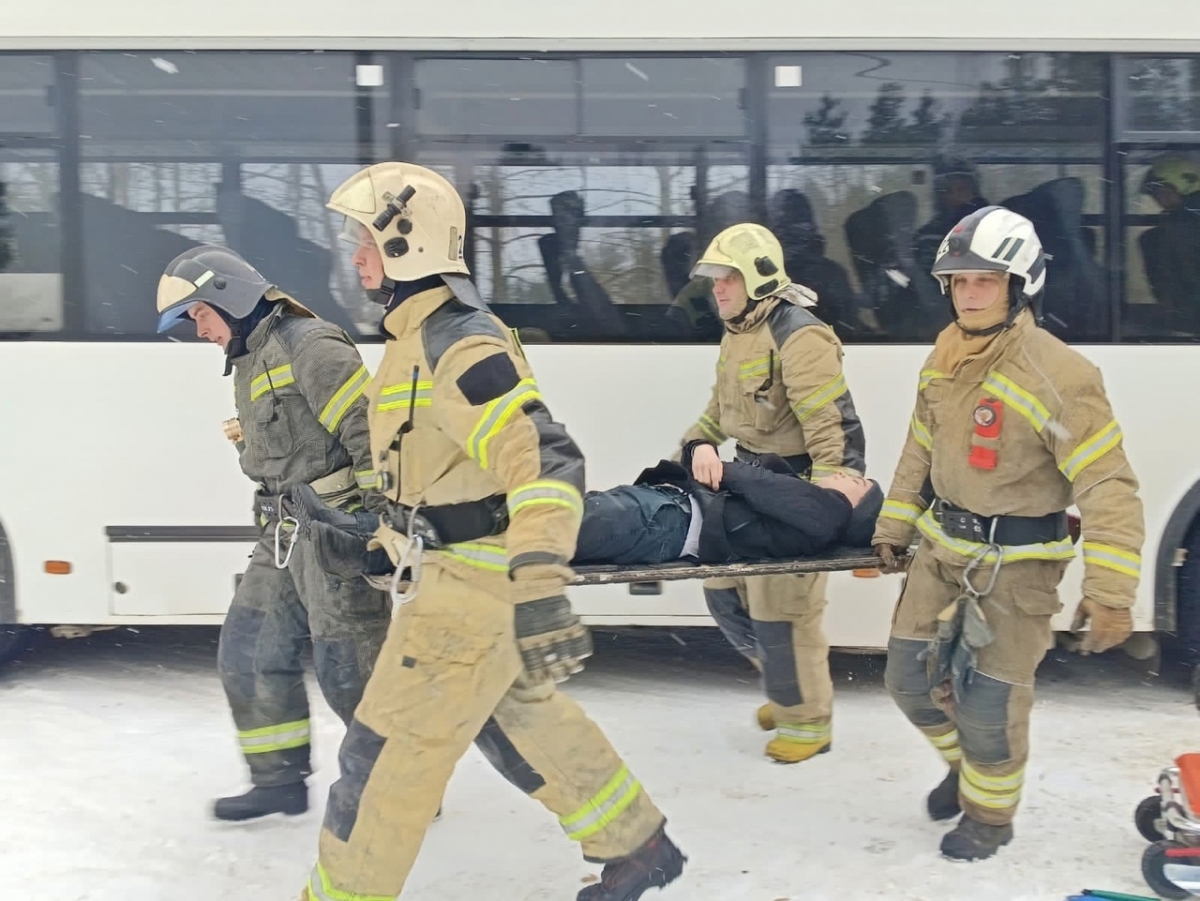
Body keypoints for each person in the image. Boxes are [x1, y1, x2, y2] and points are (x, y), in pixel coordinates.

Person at [299, 162, 685, 901]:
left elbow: (544, 458)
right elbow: (436, 471)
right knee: (520, 718)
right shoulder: (415, 336)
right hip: (450, 577)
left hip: (467, 593)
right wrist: (377, 530)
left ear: (408, 243)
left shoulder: (459, 341)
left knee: (385, 759)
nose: (356, 254)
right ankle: (637, 844)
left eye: (366, 239)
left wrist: (539, 582)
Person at [871, 206, 1144, 861]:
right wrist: (894, 523)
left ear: (1019, 285)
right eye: (959, 281)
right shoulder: (943, 355)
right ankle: (965, 766)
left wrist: (1111, 591)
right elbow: (920, 447)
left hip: (1017, 567)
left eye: (985, 281)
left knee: (989, 705)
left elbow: (1108, 484)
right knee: (908, 680)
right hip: (941, 550)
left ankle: (990, 817)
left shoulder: (1061, 375)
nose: (968, 294)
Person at [154, 246, 391, 822]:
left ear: (229, 296)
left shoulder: (311, 346)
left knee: (350, 673)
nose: (199, 330)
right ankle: (278, 779)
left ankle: (400, 787)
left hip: (337, 534)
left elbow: (374, 437)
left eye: (200, 314)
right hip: (283, 534)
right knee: (249, 649)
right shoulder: (249, 358)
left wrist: (382, 528)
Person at [678, 221, 867, 764]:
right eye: (714, 278)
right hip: (747, 482)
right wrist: (693, 449)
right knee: (721, 589)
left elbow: (832, 428)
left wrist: (827, 507)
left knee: (782, 613)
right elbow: (718, 413)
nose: (717, 288)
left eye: (728, 277)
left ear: (759, 278)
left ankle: (807, 721)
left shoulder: (799, 335)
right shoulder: (739, 332)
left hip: (795, 488)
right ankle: (786, 686)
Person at [573, 443, 883, 566]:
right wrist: (701, 450)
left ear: (855, 510)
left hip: (663, 518)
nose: (843, 474)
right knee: (554, 529)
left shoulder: (829, 512)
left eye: (856, 483)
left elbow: (757, 481)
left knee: (553, 528)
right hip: (662, 518)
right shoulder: (815, 515)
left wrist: (709, 459)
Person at [1138, 155, 1200, 334]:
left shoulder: (1173, 229)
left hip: (1188, 321)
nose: (1156, 198)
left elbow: (1177, 281)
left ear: (1180, 186)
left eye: (1159, 190)